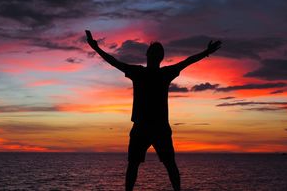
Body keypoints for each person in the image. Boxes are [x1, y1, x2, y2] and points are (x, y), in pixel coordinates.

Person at [86, 30, 221, 191]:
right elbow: (188, 61)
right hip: (149, 127)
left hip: (153, 127)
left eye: (155, 52)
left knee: (152, 165)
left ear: (151, 55)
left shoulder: (146, 72)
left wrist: (96, 48)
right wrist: (206, 52)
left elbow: (114, 62)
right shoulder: (154, 73)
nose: (154, 55)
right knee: (147, 165)